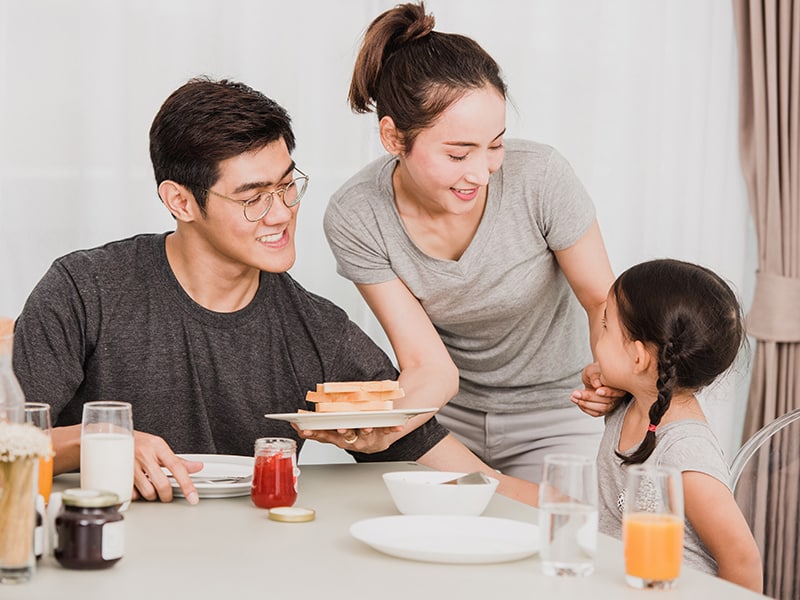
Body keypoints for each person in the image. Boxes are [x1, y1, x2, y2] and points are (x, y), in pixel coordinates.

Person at [12, 77, 537, 506]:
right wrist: (97, 442)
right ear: (181, 201)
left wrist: (574, 506)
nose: (282, 213)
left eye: (287, 185)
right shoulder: (84, 290)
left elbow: (457, 472)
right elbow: (8, 446)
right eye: (253, 197)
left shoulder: (317, 330)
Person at [323, 1, 620, 482]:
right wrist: (384, 427)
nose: (481, 173)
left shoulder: (540, 177)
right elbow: (425, 365)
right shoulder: (357, 214)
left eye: (496, 144)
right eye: (458, 153)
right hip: (447, 417)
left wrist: (610, 372)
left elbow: (601, 299)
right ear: (394, 137)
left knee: (562, 538)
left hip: (559, 411)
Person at [594, 259, 762, 592]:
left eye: (604, 327)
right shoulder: (631, 405)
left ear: (638, 359)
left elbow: (743, 561)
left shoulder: (685, 454)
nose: (597, 335)